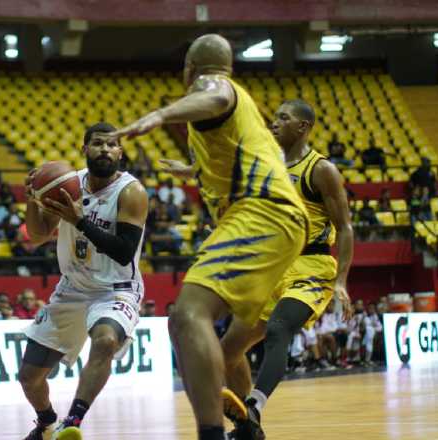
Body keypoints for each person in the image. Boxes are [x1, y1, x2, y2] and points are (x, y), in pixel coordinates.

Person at [109, 34, 308, 440]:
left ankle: (210, 434)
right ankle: (249, 427)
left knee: (186, 317)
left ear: (190, 68)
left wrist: (162, 115)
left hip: (261, 213)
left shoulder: (214, 85)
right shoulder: (243, 113)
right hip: (279, 222)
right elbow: (240, 154)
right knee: (229, 342)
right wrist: (193, 170)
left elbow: (215, 97)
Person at [208, 99, 352, 435]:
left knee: (277, 329)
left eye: (283, 118)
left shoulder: (321, 169)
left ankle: (255, 404)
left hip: (311, 267)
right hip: (272, 267)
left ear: (302, 127)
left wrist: (342, 281)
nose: (274, 123)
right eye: (273, 118)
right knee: (226, 352)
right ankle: (247, 427)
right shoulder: (267, 164)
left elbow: (345, 227)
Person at [19, 122, 149, 440]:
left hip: (116, 288)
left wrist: (79, 220)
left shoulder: (132, 192)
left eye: (111, 144)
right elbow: (36, 236)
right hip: (72, 287)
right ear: (84, 149)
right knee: (29, 377)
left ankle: (72, 422)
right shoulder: (67, 184)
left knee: (105, 341)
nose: (105, 149)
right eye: (98, 143)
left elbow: (123, 251)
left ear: (121, 151)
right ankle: (46, 421)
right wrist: (33, 199)